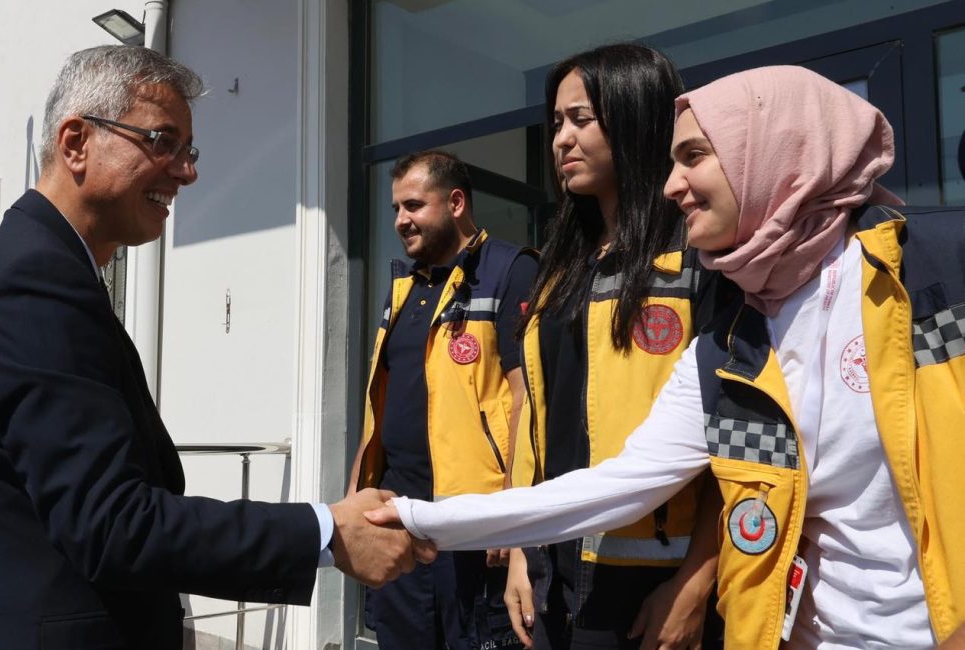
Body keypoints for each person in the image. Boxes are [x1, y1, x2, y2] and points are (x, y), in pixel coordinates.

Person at [370, 65, 965, 648]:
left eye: (695, 157)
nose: (671, 184)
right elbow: (622, 483)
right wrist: (422, 520)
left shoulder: (935, 273)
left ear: (771, 151)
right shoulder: (736, 338)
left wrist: (692, 582)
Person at [0, 45, 428, 650]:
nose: (186, 171)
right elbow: (112, 525)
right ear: (76, 143)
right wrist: (325, 531)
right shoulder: (31, 284)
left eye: (189, 150)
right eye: (162, 141)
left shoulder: (44, 271)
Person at [501, 43, 727, 650]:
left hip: (651, 586)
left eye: (581, 119)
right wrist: (522, 545)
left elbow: (739, 442)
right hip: (553, 575)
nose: (560, 140)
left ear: (634, 119)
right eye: (556, 124)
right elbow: (534, 421)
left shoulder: (699, 263)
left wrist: (695, 584)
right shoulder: (558, 269)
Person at [348, 149, 537, 649]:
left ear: (455, 202)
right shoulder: (403, 288)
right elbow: (378, 408)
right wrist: (356, 500)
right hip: (400, 522)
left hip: (471, 530)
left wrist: (513, 515)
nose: (400, 221)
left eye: (412, 206)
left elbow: (528, 400)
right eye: (395, 209)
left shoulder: (510, 271)